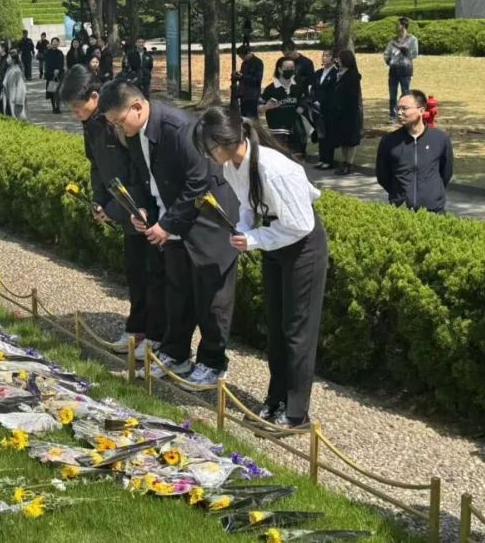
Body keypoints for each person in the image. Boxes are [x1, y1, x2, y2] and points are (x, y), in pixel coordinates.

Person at [194, 107, 328, 429]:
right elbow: (246, 206)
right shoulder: (233, 167)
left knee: (297, 329)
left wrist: (253, 239)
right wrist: (243, 230)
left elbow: (300, 225)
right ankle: (275, 398)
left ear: (226, 141)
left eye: (210, 147)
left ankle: (296, 412)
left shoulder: (274, 168)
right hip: (273, 240)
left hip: (302, 246)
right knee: (276, 326)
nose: (209, 155)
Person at [100, 81, 240, 387]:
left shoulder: (179, 128)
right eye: (113, 124)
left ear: (137, 107)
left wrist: (167, 225)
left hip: (207, 221)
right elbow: (141, 176)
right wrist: (142, 209)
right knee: (177, 292)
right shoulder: (134, 133)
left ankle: (213, 363)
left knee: (212, 298)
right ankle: (176, 353)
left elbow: (198, 181)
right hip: (172, 220)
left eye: (119, 121)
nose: (118, 129)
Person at [61, 66, 166, 359]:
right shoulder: (91, 125)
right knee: (135, 272)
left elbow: (137, 168)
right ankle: (137, 328)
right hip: (121, 205)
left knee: (153, 273)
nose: (75, 114)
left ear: (94, 97)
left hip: (142, 206)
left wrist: (119, 207)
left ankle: (156, 335)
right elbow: (97, 166)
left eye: (78, 108)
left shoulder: (116, 121)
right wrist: (100, 201)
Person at [376, 90, 453, 213]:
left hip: (433, 210)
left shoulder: (439, 139)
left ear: (421, 111)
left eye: (404, 109)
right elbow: (383, 176)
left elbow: (446, 173)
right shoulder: (389, 141)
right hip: (401, 210)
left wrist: (433, 194)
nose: (399, 113)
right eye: (398, 109)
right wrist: (399, 195)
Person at [259, 57, 306, 158]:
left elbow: (303, 100)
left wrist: (301, 107)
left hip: (294, 128)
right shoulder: (271, 89)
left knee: (296, 157)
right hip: (278, 129)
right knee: (280, 157)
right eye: (287, 68)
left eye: (292, 68)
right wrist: (266, 107)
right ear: (280, 70)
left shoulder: (297, 87)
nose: (290, 70)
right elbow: (258, 107)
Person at [331, 50, 364, 176]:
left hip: (350, 112)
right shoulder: (338, 73)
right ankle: (344, 161)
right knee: (343, 139)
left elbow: (352, 95)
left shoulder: (353, 75)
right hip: (339, 112)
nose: (338, 61)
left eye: (339, 58)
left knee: (350, 140)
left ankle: (349, 163)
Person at [383, 17, 419, 122]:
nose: (396, 26)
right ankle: (393, 116)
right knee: (392, 95)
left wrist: (406, 51)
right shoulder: (393, 41)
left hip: (405, 70)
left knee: (405, 94)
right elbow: (386, 53)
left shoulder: (412, 40)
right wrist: (388, 61)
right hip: (393, 71)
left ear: (403, 26)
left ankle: (405, 115)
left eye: (398, 24)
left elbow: (415, 54)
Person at [309, 51, 339, 169]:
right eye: (323, 56)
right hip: (317, 108)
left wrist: (322, 101)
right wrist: (314, 100)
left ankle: (328, 160)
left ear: (333, 59)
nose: (324, 58)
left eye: (328, 56)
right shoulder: (318, 73)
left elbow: (332, 92)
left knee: (328, 134)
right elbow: (314, 88)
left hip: (328, 108)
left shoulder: (335, 73)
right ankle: (322, 158)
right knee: (320, 134)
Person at [231, 44, 263, 119]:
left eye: (243, 57)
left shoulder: (258, 62)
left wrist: (242, 76)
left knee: (252, 117)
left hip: (252, 94)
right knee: (244, 117)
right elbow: (242, 76)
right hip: (243, 94)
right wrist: (237, 76)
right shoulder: (244, 63)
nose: (242, 59)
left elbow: (257, 79)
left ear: (248, 53)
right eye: (241, 57)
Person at [3, 49, 29, 120]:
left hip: (15, 101)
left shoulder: (17, 71)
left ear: (13, 60)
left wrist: (19, 102)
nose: (7, 59)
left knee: (18, 119)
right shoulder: (9, 69)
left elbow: (21, 88)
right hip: (9, 99)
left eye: (8, 58)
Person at [43, 37, 65, 114]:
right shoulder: (47, 52)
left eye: (56, 42)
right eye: (54, 42)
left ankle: (58, 107)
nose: (55, 43)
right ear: (51, 43)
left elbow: (62, 63)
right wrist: (52, 72)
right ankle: (53, 108)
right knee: (52, 92)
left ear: (58, 43)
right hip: (51, 75)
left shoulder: (60, 53)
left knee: (58, 92)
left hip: (59, 75)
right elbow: (46, 62)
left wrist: (58, 70)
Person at [0, 45, 10, 115]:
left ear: (3, 48)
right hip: (0, 87)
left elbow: (8, 74)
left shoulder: (7, 60)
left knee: (6, 107)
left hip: (5, 87)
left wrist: (0, 77)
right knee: (1, 106)